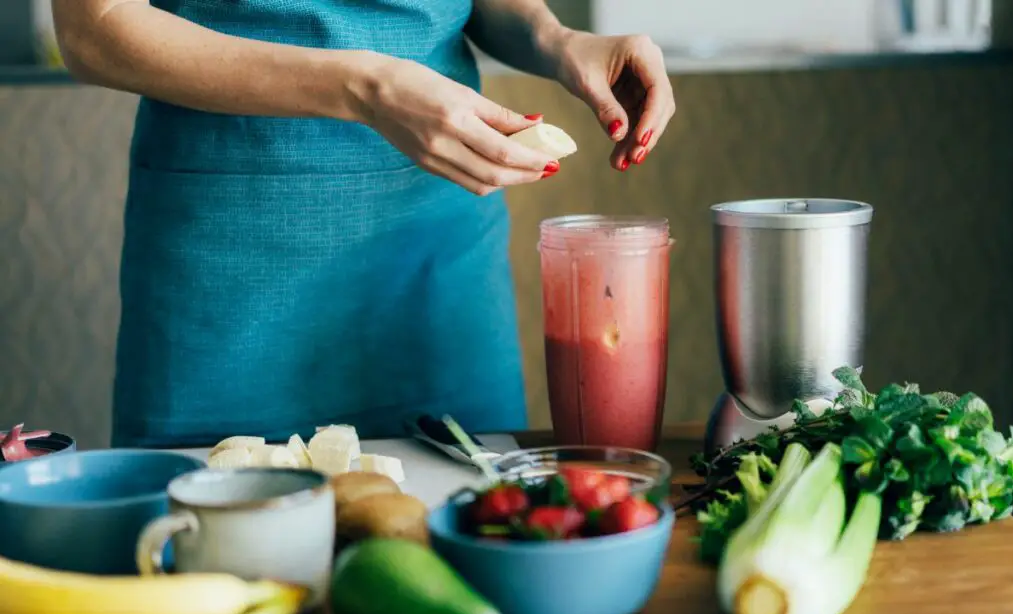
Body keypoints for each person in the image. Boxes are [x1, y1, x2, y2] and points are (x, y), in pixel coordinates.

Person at [52, 0, 676, 447]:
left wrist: (559, 40)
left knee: (462, 525)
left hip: (435, 251)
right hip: (230, 258)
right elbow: (94, 29)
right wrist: (366, 87)